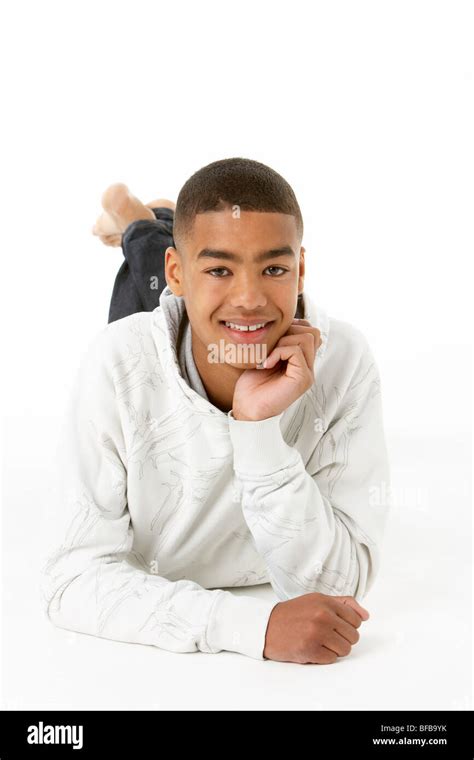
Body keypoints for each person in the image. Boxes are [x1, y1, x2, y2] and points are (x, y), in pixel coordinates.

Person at [41, 157, 390, 664]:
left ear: (301, 271)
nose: (249, 298)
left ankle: (166, 222)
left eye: (273, 268)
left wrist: (257, 430)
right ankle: (135, 214)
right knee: (143, 268)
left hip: (204, 317)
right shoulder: (120, 360)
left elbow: (336, 586)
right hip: (160, 319)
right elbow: (70, 579)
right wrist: (251, 626)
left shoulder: (346, 359)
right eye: (219, 268)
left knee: (217, 302)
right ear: (180, 273)